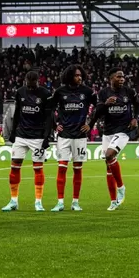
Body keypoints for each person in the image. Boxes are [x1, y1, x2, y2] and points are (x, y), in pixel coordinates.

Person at [88, 67, 139, 211]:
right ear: (111, 79)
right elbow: (97, 112)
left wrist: (135, 118)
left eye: (123, 77)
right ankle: (113, 201)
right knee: (108, 166)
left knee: (109, 154)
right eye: (118, 77)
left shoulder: (129, 92)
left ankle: (121, 187)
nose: (122, 79)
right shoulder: (103, 93)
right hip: (108, 132)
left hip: (123, 131)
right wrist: (105, 105)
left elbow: (137, 104)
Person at [2, 71, 53, 212]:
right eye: (28, 84)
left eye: (32, 84)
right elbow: (17, 112)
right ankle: (13, 201)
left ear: (37, 81)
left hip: (37, 137)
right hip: (21, 135)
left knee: (38, 169)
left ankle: (38, 202)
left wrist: (46, 137)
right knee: (14, 167)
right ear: (25, 81)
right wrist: (12, 133)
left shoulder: (45, 94)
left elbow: (49, 117)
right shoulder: (20, 92)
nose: (30, 87)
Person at [50, 65, 96, 212]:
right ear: (70, 76)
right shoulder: (60, 92)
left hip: (80, 136)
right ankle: (60, 202)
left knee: (77, 170)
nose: (80, 77)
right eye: (76, 75)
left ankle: (75, 202)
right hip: (64, 136)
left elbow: (99, 106)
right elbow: (49, 108)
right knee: (62, 168)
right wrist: (54, 125)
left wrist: (91, 124)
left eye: (80, 75)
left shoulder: (87, 92)